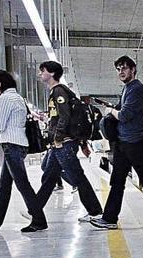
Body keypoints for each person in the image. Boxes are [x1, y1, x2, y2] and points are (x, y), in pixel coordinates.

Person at [90, 55, 143, 229]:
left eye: (124, 68)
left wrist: (110, 110)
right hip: (124, 142)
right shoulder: (127, 89)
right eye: (118, 69)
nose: (121, 72)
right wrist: (113, 108)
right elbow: (122, 110)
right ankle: (109, 218)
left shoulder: (136, 88)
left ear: (133, 69)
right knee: (117, 180)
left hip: (136, 142)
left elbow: (124, 115)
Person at [0, 70, 47, 233]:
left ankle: (39, 219)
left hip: (11, 144)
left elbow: (0, 124)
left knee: (22, 184)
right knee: (4, 185)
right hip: (19, 144)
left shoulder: (5, 98)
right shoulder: (19, 98)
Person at [31, 60, 102, 222]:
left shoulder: (59, 91)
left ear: (52, 73)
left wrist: (57, 138)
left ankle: (96, 212)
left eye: (43, 71)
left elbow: (64, 116)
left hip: (64, 143)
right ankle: (34, 210)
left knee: (77, 178)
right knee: (49, 177)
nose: (40, 73)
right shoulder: (58, 91)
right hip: (61, 144)